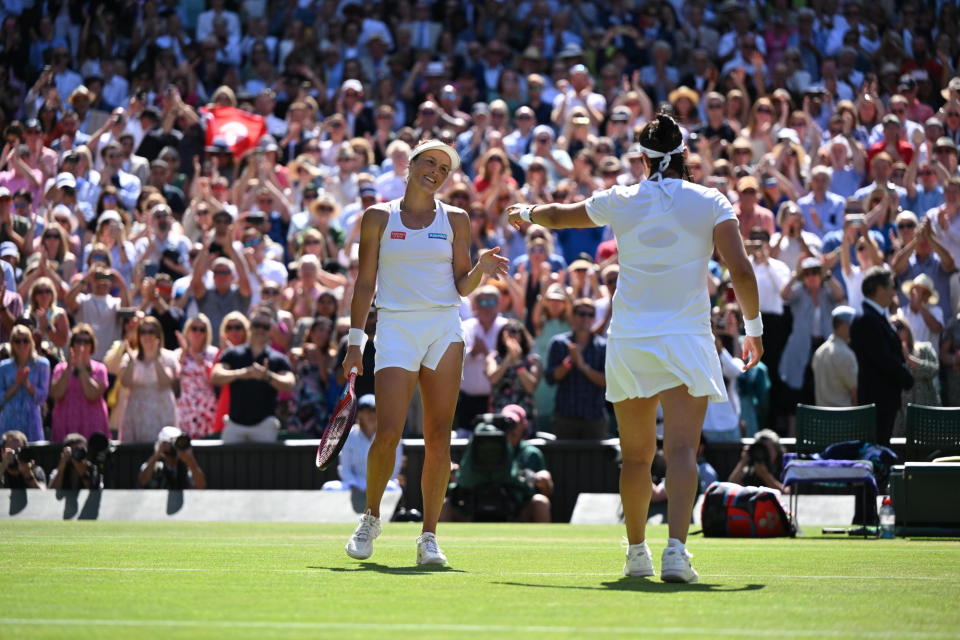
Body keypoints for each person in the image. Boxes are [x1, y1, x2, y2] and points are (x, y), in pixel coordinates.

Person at [506, 113, 762, 583]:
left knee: (637, 455)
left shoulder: (622, 199)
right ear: (684, 155)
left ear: (643, 159)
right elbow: (741, 272)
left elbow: (561, 216)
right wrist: (754, 328)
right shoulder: (710, 200)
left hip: (632, 341)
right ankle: (676, 553)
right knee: (684, 450)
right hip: (685, 337)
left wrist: (526, 213)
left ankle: (638, 552)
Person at [341, 139, 508, 567]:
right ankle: (372, 518)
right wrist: (354, 343)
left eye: (443, 168)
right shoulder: (378, 216)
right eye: (428, 162)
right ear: (411, 165)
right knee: (388, 433)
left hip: (442, 329)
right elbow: (365, 284)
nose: (435, 171)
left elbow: (460, 284)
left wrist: (481, 272)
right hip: (395, 328)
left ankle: (429, 536)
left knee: (440, 438)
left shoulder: (457, 219)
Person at [210, 307, 295, 443]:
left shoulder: (279, 358)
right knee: (227, 464)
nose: (260, 330)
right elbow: (215, 376)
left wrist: (267, 376)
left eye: (265, 326)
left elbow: (290, 384)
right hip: (235, 424)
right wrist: (242, 373)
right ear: (249, 326)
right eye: (256, 325)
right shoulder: (233, 354)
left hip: (265, 426)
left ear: (271, 330)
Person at [850, 267, 915, 444]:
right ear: (879, 289)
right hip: (877, 400)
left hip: (883, 398)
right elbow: (883, 359)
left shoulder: (874, 316)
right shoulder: (867, 319)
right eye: (891, 287)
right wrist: (906, 377)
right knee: (876, 452)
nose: (894, 292)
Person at [544, 298, 609, 439]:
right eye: (581, 314)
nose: (586, 318)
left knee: (596, 462)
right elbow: (550, 378)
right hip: (565, 418)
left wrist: (582, 365)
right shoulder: (559, 343)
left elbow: (607, 382)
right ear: (572, 316)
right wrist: (568, 363)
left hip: (594, 419)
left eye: (590, 315)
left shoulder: (604, 346)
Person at [322, 394, 403, 493]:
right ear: (359, 414)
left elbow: (394, 468)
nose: (372, 415)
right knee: (329, 488)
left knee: (394, 489)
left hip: (382, 484)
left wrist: (376, 486)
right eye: (367, 411)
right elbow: (345, 468)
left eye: (375, 410)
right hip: (356, 483)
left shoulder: (392, 436)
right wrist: (354, 485)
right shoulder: (349, 435)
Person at [119, 316, 180, 443]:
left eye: (151, 332)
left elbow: (166, 383)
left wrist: (155, 358)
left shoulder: (169, 357)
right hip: (136, 411)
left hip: (162, 410)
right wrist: (131, 363)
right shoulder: (130, 357)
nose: (147, 336)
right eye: (143, 332)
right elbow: (125, 383)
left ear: (158, 335)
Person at [49, 324, 110, 442]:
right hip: (66, 421)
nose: (82, 345)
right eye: (78, 341)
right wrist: (68, 368)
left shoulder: (100, 369)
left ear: (92, 346)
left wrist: (81, 368)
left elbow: (92, 395)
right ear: (72, 344)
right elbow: (56, 394)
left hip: (92, 422)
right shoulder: (60, 368)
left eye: (86, 341)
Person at [891, 315, 941, 437]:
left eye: (899, 327)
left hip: (925, 411)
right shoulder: (888, 355)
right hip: (900, 417)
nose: (897, 331)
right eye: (892, 328)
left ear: (907, 329)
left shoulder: (924, 348)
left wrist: (910, 359)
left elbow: (934, 369)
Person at [0, 324, 50, 442]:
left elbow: (42, 398)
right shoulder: (3, 367)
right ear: (12, 344)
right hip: (9, 420)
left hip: (32, 420)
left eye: (25, 340)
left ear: (31, 342)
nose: (22, 345)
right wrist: (16, 384)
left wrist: (27, 384)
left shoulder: (42, 365)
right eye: (17, 341)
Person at [174, 314, 219, 438]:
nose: (198, 332)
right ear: (187, 331)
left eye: (202, 329)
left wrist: (203, 363)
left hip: (208, 406)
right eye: (194, 328)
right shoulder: (178, 354)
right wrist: (183, 356)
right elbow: (172, 380)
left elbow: (217, 380)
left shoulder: (213, 353)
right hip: (186, 406)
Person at [811, 306, 859, 407]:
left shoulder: (819, 352)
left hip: (821, 418)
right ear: (844, 326)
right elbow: (855, 391)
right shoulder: (846, 354)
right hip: (843, 419)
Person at [138, 426, 207, 490]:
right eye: (169, 442)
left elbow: (201, 486)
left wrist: (190, 460)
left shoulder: (186, 469)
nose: (173, 447)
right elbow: (142, 481)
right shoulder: (155, 467)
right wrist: (157, 455)